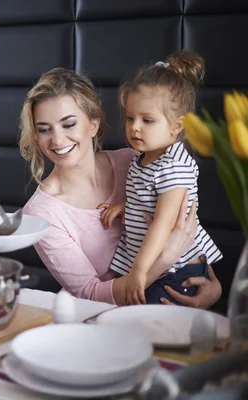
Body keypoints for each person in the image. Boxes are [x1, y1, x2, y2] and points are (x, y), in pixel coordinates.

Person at [19, 67, 222, 308]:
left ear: (93, 124)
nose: (57, 140)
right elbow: (90, 293)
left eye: (68, 124)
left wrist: (214, 286)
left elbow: (185, 225)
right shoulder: (41, 214)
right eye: (44, 129)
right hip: (100, 319)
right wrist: (164, 260)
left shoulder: (133, 161)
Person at [99, 51, 222, 305]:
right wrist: (128, 206)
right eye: (130, 118)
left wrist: (139, 272)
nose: (135, 127)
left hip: (177, 273)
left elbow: (163, 224)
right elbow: (154, 202)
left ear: (177, 126)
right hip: (161, 266)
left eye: (148, 120)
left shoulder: (173, 167)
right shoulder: (144, 158)